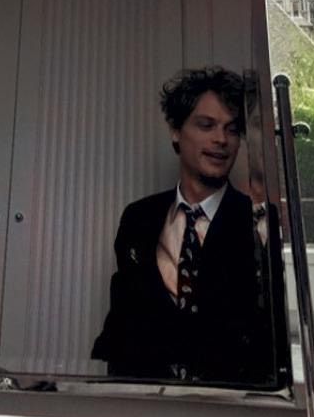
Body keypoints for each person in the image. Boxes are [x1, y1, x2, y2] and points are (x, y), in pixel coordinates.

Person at [91, 67, 279, 384]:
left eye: (233, 130)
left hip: (229, 407)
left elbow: (265, 333)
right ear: (176, 131)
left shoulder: (259, 220)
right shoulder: (138, 218)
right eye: (206, 125)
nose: (221, 139)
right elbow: (124, 321)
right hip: (144, 401)